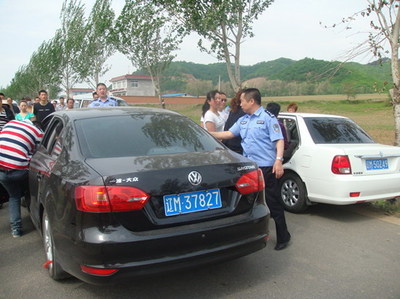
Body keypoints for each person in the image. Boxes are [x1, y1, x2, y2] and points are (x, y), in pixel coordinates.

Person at [211, 88, 291, 251]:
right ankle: (251, 233)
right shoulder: (244, 120)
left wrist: (278, 161)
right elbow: (228, 134)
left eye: (242, 101)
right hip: (250, 169)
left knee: (273, 202)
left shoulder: (268, 118)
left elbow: (279, 140)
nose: (240, 104)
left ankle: (284, 236)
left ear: (251, 101)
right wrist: (206, 133)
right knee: (247, 203)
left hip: (267, 168)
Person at [0, 119, 44, 237]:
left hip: (2, 170)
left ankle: (16, 230)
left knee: (13, 197)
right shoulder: (38, 132)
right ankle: (29, 204)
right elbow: (40, 153)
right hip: (19, 170)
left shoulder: (10, 123)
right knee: (29, 187)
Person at [222, 90, 245, 154]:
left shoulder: (233, 111)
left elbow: (226, 128)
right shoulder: (244, 114)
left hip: (227, 145)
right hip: (237, 147)